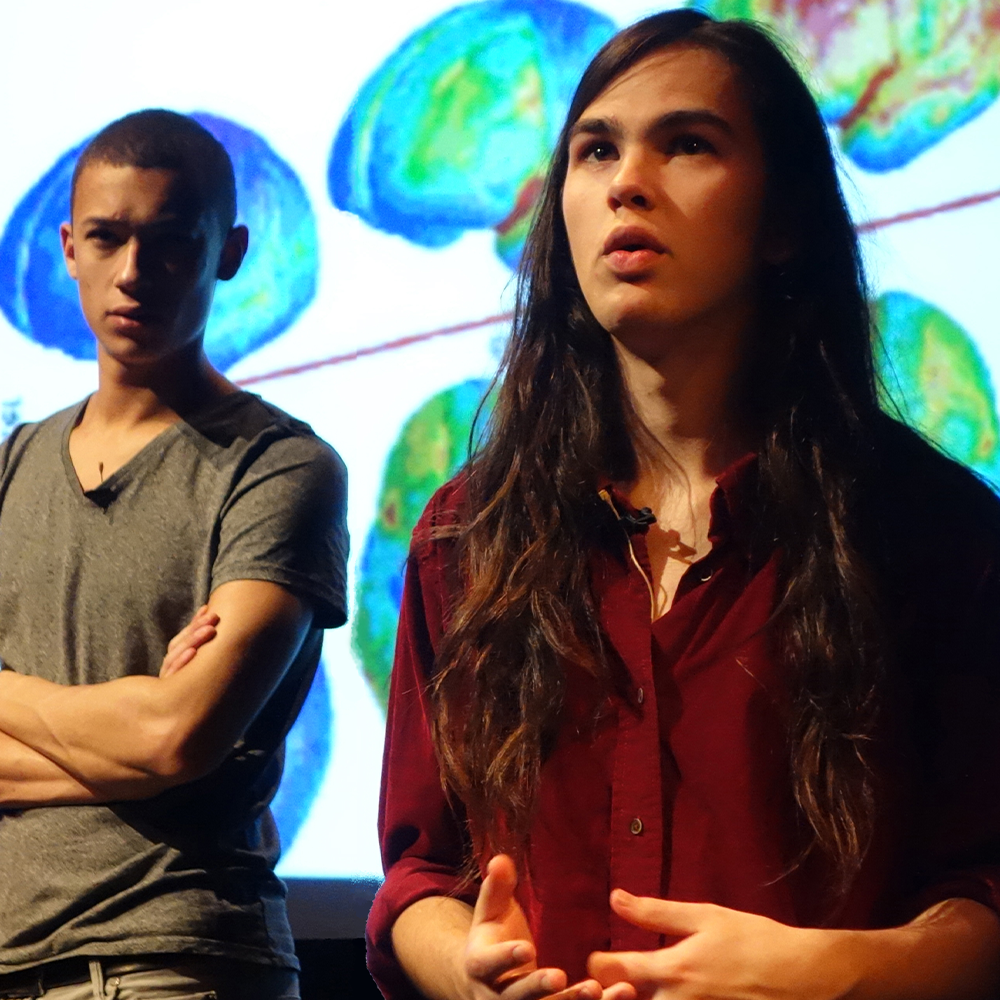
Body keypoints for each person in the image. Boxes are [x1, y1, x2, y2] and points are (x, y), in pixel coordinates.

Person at [366, 10, 1000, 1000]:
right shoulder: (465, 532)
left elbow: (985, 888)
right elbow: (417, 873)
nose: (625, 181)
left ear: (784, 220)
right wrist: (466, 971)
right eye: (594, 149)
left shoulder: (932, 531)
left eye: (688, 144)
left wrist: (831, 972)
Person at [0, 110, 348, 999]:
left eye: (169, 243)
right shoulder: (11, 466)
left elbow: (175, 737)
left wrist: (144, 730)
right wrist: (136, 722)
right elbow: (155, 741)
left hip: (184, 958)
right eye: (108, 240)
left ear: (227, 252)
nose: (133, 275)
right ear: (68, 247)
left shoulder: (280, 468)